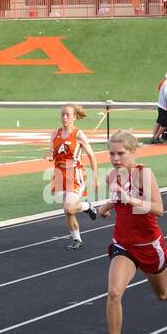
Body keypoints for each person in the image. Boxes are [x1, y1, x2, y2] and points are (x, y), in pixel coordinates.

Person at [99, 131, 167, 334]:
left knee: (161, 294)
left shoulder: (145, 175)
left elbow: (159, 209)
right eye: (112, 153)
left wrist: (133, 201)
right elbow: (118, 200)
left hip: (149, 245)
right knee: (114, 293)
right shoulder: (111, 176)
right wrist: (106, 206)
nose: (115, 158)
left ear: (133, 152)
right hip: (123, 243)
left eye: (121, 153)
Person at [48, 104, 101, 249]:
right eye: (63, 115)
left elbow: (91, 156)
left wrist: (95, 176)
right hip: (59, 175)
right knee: (67, 211)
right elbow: (52, 153)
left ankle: (87, 206)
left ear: (74, 117)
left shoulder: (78, 135)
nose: (64, 117)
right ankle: (77, 240)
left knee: (69, 208)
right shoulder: (54, 134)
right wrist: (49, 156)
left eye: (68, 115)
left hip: (74, 174)